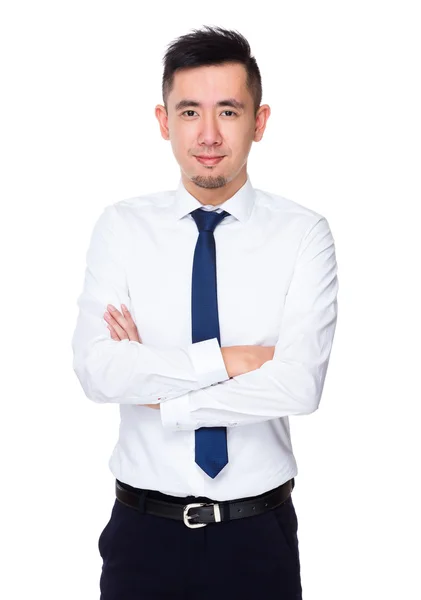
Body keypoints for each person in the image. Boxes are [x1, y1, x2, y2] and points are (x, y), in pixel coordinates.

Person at [71, 25, 339, 600]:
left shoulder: (303, 235)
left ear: (259, 122)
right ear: (164, 121)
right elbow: (99, 372)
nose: (209, 135)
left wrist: (162, 390)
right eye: (190, 112)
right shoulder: (121, 229)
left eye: (229, 111)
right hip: (143, 536)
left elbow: (298, 387)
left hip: (256, 537)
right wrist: (235, 360)